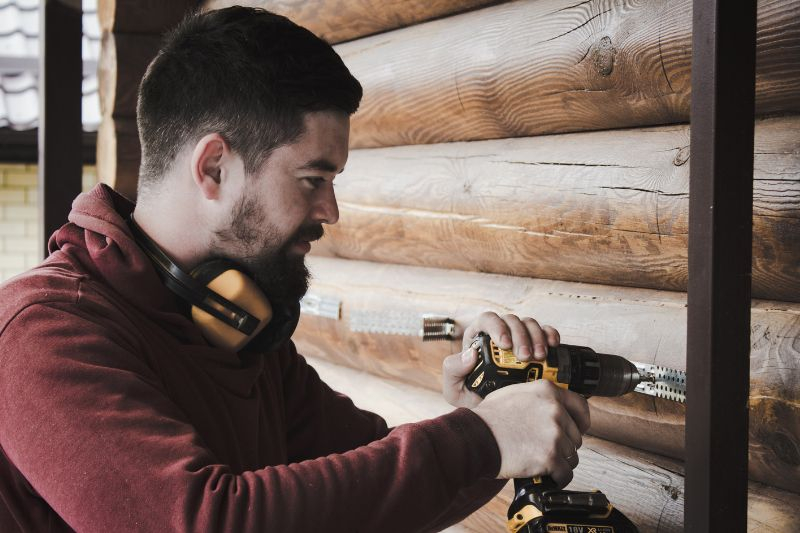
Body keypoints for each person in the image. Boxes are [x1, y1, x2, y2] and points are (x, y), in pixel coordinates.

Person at [0, 7, 590, 532]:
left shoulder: (238, 328)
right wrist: (482, 440)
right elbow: (206, 519)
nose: (330, 212)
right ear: (213, 168)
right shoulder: (42, 331)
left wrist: (487, 419)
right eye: (314, 179)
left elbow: (372, 499)